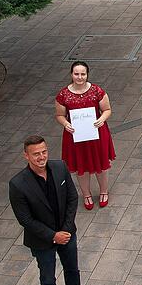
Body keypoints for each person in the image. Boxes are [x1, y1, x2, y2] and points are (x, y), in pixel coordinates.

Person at [9, 135, 89, 285]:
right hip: (41, 240)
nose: (41, 157)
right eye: (36, 153)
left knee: (72, 270)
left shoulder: (60, 167)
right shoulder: (17, 184)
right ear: (26, 156)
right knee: (47, 278)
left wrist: (66, 230)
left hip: (67, 233)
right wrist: (53, 236)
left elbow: (72, 198)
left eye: (44, 151)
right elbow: (25, 219)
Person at [55, 61, 115, 210]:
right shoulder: (63, 94)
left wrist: (101, 119)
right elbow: (60, 115)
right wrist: (65, 124)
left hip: (97, 133)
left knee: (101, 164)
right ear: (71, 74)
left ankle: (103, 191)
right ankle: (86, 194)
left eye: (83, 74)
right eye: (76, 74)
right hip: (75, 136)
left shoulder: (97, 91)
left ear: (87, 74)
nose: (80, 77)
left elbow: (107, 109)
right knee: (81, 166)